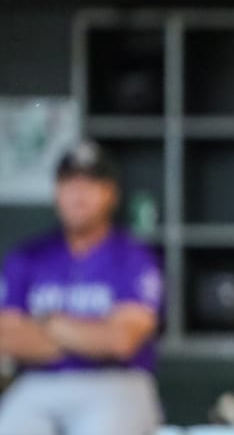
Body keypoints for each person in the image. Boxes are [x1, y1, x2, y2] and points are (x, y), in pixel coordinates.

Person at [0, 141, 164, 434]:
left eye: (90, 183)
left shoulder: (133, 257)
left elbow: (120, 341)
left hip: (117, 383)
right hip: (38, 383)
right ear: (57, 192)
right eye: (69, 183)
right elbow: (7, 336)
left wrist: (46, 322)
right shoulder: (28, 256)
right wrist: (88, 336)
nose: (78, 194)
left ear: (111, 193)